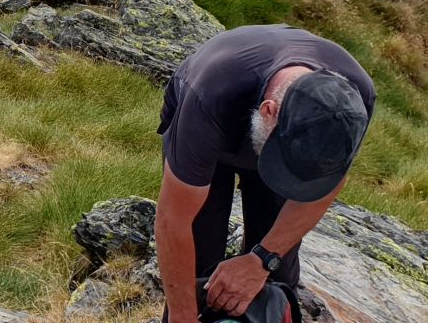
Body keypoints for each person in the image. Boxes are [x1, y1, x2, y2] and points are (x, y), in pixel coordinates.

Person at [153, 24, 375, 322]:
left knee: (277, 272)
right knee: (200, 265)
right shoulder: (211, 94)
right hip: (213, 117)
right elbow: (174, 220)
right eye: (283, 164)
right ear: (269, 111)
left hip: (273, 131)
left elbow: (331, 183)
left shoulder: (352, 104)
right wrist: (182, 315)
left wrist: (262, 260)